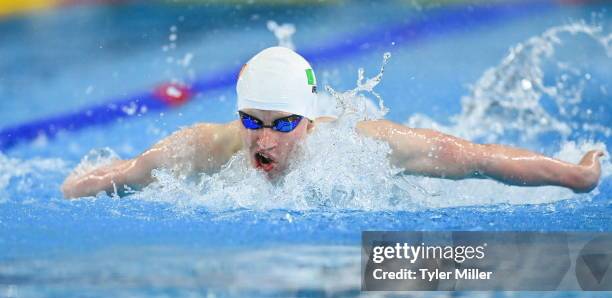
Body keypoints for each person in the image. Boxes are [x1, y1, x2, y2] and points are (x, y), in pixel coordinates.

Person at [61, 46, 604, 199]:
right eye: (253, 120)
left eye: (283, 124)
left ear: (313, 123)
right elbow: (124, 172)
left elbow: (478, 158)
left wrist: (572, 176)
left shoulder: (362, 149)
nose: (264, 138)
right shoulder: (206, 147)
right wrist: (80, 186)